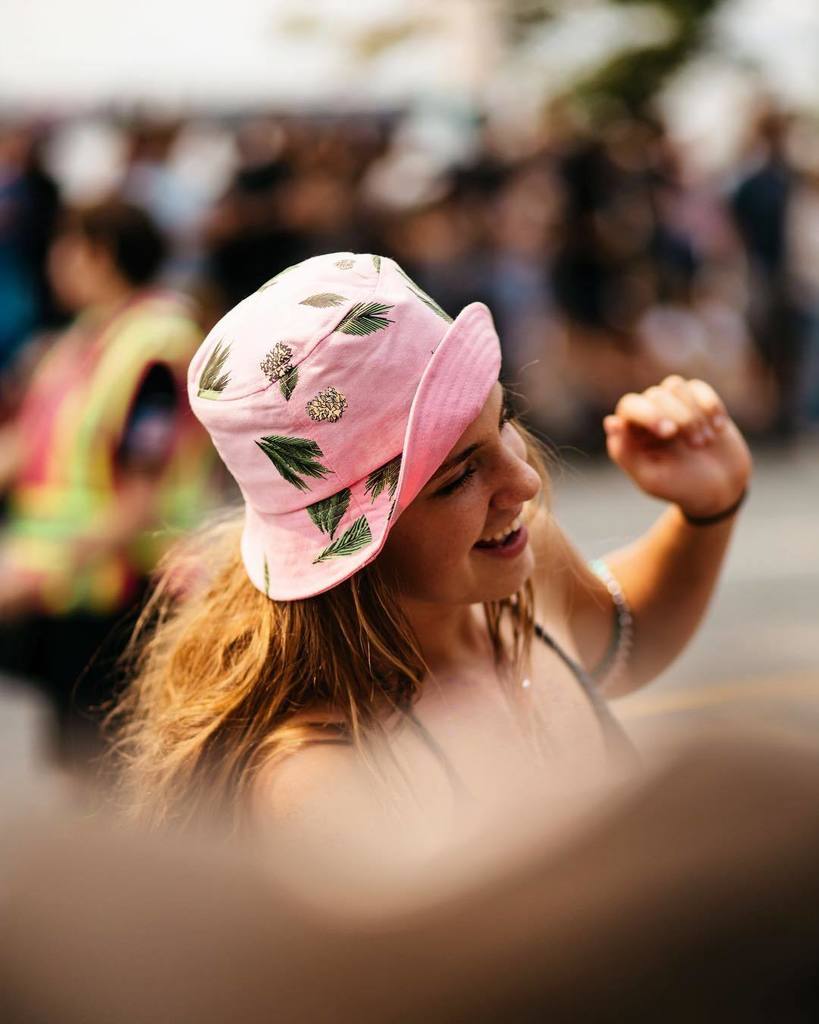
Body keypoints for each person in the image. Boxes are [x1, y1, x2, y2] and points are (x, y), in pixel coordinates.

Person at [110, 252, 752, 835]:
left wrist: (707, 508)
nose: (523, 480)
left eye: (502, 420)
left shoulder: (513, 570)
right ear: (350, 546)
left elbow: (616, 628)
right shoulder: (327, 784)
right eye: (459, 475)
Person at [0, 199, 212, 765]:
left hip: (125, 590)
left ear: (100, 253)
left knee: (108, 768)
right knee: (77, 755)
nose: (54, 262)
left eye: (66, 247)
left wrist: (33, 573)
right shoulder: (83, 339)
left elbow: (140, 501)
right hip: (73, 589)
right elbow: (32, 445)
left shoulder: (155, 346)